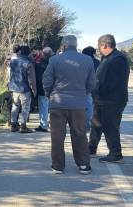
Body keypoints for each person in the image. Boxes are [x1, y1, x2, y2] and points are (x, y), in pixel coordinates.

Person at [43, 35, 96, 174]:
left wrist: (50, 95)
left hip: (57, 103)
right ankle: (83, 165)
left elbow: (47, 80)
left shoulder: (54, 60)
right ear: (75, 45)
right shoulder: (87, 60)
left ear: (63, 46)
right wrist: (83, 94)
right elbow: (92, 83)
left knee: (57, 136)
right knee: (80, 134)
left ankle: (57, 166)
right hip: (78, 104)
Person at [88, 34, 130, 163]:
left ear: (105, 45)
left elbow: (114, 82)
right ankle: (91, 148)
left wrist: (99, 91)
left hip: (112, 100)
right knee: (96, 124)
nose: (98, 49)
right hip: (101, 99)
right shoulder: (107, 58)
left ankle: (115, 153)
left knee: (110, 126)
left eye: (99, 46)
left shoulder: (118, 59)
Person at [8, 45, 37, 133]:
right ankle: (23, 126)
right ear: (28, 53)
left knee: (15, 106)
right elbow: (31, 79)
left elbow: (10, 75)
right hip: (24, 89)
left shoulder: (12, 62)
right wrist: (34, 90)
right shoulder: (28, 63)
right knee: (25, 107)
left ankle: (13, 125)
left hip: (14, 88)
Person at [35, 47, 54, 132]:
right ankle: (50, 123)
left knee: (43, 107)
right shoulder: (53, 63)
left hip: (42, 89)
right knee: (50, 107)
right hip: (53, 89)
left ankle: (43, 125)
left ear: (43, 54)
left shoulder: (40, 64)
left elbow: (38, 78)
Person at [82, 46, 101, 131]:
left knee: (87, 106)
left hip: (86, 87)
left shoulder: (83, 62)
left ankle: (87, 124)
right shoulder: (98, 62)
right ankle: (94, 123)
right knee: (93, 106)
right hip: (97, 87)